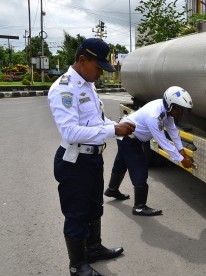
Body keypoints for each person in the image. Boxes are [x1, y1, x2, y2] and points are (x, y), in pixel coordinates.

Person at [48, 38, 136, 276]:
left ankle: (94, 249)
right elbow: (70, 131)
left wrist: (118, 126)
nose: (100, 74)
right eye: (98, 68)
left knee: (94, 207)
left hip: (93, 159)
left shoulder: (88, 85)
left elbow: (96, 122)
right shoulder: (64, 88)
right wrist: (112, 130)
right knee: (77, 213)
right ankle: (77, 265)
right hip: (74, 161)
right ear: (82, 60)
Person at [104, 86, 194, 216]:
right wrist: (181, 160)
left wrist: (182, 152)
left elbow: (173, 132)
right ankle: (139, 207)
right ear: (169, 104)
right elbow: (163, 142)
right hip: (129, 137)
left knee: (121, 161)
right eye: (179, 109)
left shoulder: (166, 112)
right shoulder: (154, 115)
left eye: (182, 109)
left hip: (129, 137)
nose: (181, 112)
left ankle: (112, 189)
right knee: (139, 168)